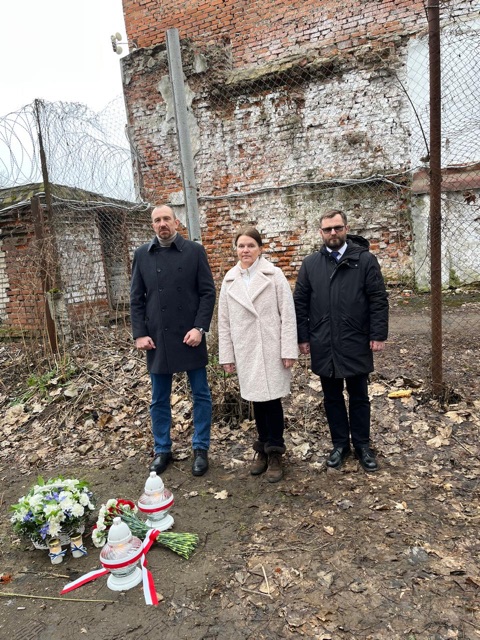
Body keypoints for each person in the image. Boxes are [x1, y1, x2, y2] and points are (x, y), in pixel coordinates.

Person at [293, 210, 388, 472]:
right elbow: (300, 303)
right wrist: (303, 337)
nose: (332, 233)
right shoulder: (311, 264)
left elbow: (378, 299)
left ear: (346, 228)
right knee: (332, 397)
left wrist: (377, 334)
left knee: (359, 396)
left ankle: (362, 446)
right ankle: (340, 445)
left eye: (337, 228)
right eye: (327, 229)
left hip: (355, 338)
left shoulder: (365, 260)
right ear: (320, 233)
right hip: (323, 340)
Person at [130, 205, 216, 477]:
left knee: (200, 394)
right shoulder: (142, 254)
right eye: (157, 220)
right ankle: (162, 450)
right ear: (152, 225)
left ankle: (200, 448)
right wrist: (140, 333)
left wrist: (199, 328)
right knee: (159, 398)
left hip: (190, 335)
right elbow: (136, 298)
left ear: (176, 222)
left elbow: (207, 293)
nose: (162, 224)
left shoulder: (194, 251)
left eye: (166, 218)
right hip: (158, 336)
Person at [218, 227, 298, 482]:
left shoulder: (274, 275)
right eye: (241, 246)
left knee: (272, 401)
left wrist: (288, 349)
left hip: (271, 347)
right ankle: (262, 448)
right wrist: (227, 355)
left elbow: (288, 315)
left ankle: (275, 452)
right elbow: (224, 322)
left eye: (251, 245)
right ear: (236, 249)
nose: (245, 250)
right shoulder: (230, 280)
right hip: (246, 349)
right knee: (256, 401)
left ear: (260, 248)